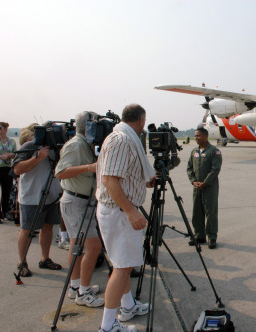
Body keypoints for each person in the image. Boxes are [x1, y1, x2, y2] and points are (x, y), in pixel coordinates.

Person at [96, 104, 156, 332]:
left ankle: (128, 306)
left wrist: (143, 180)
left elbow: (122, 175)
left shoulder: (120, 137)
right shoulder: (122, 140)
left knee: (123, 264)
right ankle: (108, 326)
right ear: (141, 121)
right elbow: (110, 180)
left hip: (117, 211)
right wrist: (131, 211)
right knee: (122, 268)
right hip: (120, 213)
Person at [55, 111, 103, 307]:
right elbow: (60, 172)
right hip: (75, 202)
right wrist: (89, 168)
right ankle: (83, 292)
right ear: (88, 126)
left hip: (81, 201)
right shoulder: (76, 145)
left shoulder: (85, 144)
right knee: (93, 247)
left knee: (77, 246)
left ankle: (76, 286)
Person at [12, 123, 63, 277]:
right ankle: (22, 262)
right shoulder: (30, 145)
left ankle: (45, 258)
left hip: (52, 196)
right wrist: (38, 157)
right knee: (26, 229)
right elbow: (17, 169)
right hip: (32, 197)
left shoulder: (57, 147)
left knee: (47, 228)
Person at [186, 127, 222, 249]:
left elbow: (215, 169)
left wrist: (205, 182)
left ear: (205, 136)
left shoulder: (214, 151)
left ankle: (212, 237)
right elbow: (189, 168)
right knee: (197, 212)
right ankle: (199, 236)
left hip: (209, 187)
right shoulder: (194, 151)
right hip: (197, 187)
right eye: (195, 136)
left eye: (198, 136)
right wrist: (193, 181)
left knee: (210, 212)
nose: (196, 138)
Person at [0, 122, 17, 224]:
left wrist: (10, 155)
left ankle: (6, 212)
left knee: (7, 190)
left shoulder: (11, 141)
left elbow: (16, 153)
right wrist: (1, 157)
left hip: (7, 167)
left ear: (5, 129)